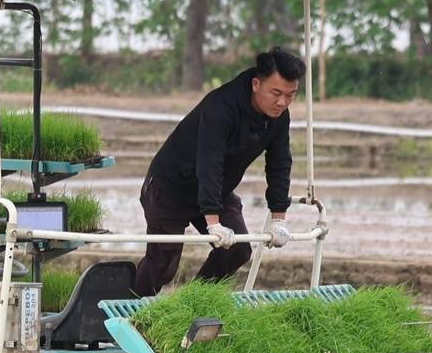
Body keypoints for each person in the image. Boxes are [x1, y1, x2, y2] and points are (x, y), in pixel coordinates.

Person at [131, 48, 309, 296]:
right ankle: (127, 318)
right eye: (276, 93)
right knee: (163, 264)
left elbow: (280, 163)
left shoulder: (279, 116)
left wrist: (279, 218)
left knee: (237, 249)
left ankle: (191, 304)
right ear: (256, 84)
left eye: (291, 95)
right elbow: (209, 162)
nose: (282, 102)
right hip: (170, 186)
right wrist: (213, 223)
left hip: (217, 188)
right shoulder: (221, 107)